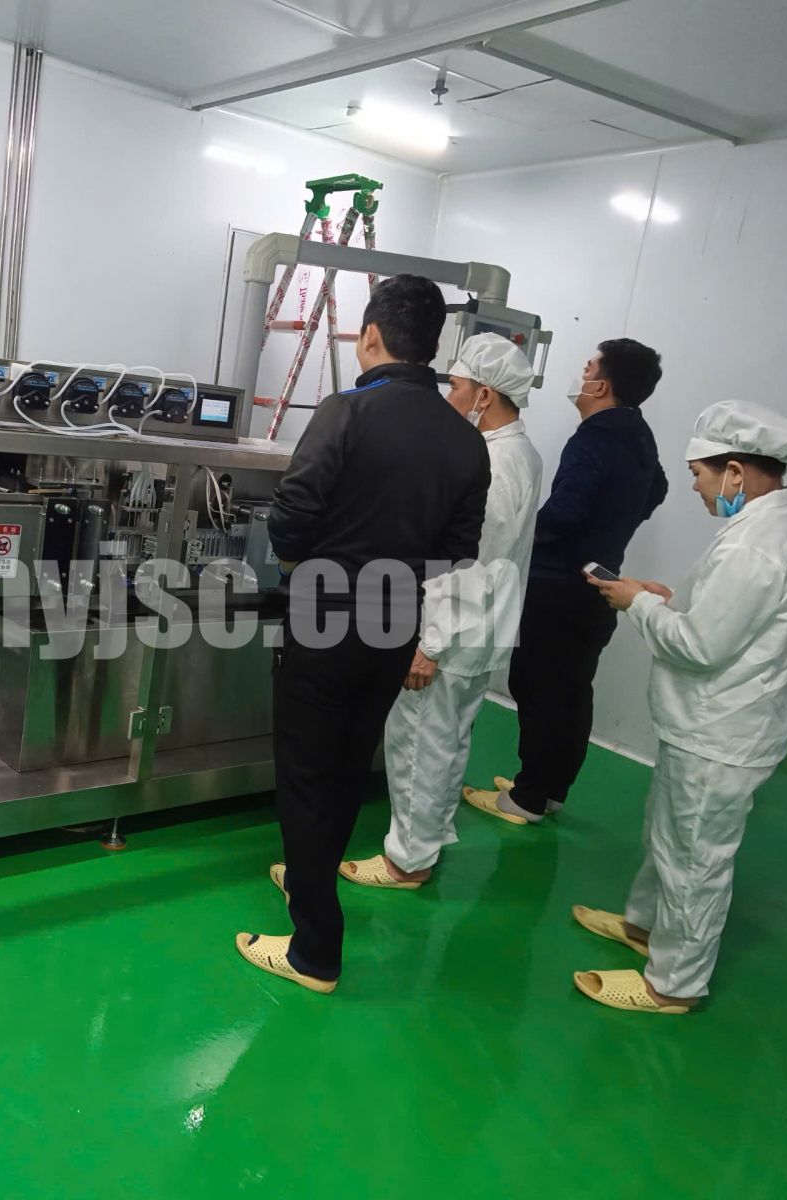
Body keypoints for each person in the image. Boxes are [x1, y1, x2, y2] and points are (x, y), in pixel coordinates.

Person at [237, 274, 491, 994]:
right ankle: (308, 875)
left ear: (371, 336)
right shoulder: (466, 440)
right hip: (394, 619)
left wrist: (310, 565)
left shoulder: (346, 412)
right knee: (349, 765)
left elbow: (291, 515)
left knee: (305, 771)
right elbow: (458, 551)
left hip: (326, 614)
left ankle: (314, 950)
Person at [574, 400, 787, 1014]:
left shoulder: (757, 547)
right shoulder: (780, 527)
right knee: (668, 832)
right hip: (710, 723)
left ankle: (674, 983)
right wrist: (665, 598)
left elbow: (700, 646)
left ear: (734, 471)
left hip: (722, 730)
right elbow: (728, 618)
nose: (694, 486)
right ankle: (644, 926)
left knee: (694, 858)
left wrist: (636, 604)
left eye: (698, 473)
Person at [341, 333, 543, 888]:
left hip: (454, 634)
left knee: (419, 743)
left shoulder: (496, 463)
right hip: (483, 630)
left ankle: (407, 861)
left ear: (484, 394)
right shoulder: (521, 452)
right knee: (450, 740)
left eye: (455, 386)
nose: (448, 396)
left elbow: (471, 563)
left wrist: (429, 643)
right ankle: (429, 837)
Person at [465, 338, 666, 825]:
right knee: (572, 689)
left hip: (558, 588)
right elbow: (656, 489)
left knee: (539, 686)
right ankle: (550, 787)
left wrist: (523, 535)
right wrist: (611, 532)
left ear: (601, 385)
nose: (581, 374)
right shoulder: (637, 432)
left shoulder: (595, 437)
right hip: (598, 583)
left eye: (588, 367)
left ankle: (527, 798)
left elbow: (566, 512)